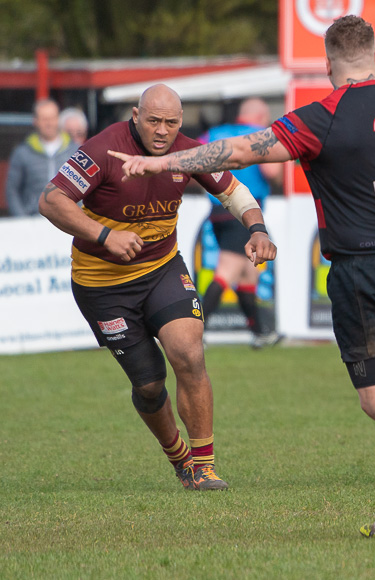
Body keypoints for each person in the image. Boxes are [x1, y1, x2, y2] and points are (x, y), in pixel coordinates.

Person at [111, 15, 375, 539]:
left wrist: (165, 162)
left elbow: (240, 151)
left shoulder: (323, 117)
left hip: (365, 271)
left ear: (328, 65)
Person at [39, 84, 273, 491]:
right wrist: (103, 234)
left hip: (163, 269)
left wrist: (257, 228)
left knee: (188, 350)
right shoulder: (102, 148)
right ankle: (180, 458)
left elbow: (234, 191)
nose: (162, 131)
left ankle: (204, 466)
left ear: (181, 122)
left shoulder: (188, 151)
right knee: (149, 385)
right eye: (153, 120)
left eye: (171, 122)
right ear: (135, 115)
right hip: (103, 284)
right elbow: (51, 200)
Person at [199, 98, 284, 349]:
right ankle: (193, 332)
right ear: (260, 115)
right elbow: (271, 173)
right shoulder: (260, 135)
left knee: (248, 276)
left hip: (217, 210)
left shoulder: (215, 133)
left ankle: (260, 333)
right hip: (244, 212)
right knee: (227, 272)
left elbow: (193, 162)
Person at [9, 98, 77, 217]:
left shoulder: (74, 151)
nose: (49, 123)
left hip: (69, 220)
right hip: (33, 220)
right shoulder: (23, 153)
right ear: (35, 121)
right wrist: (22, 219)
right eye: (44, 119)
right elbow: (12, 190)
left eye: (52, 118)